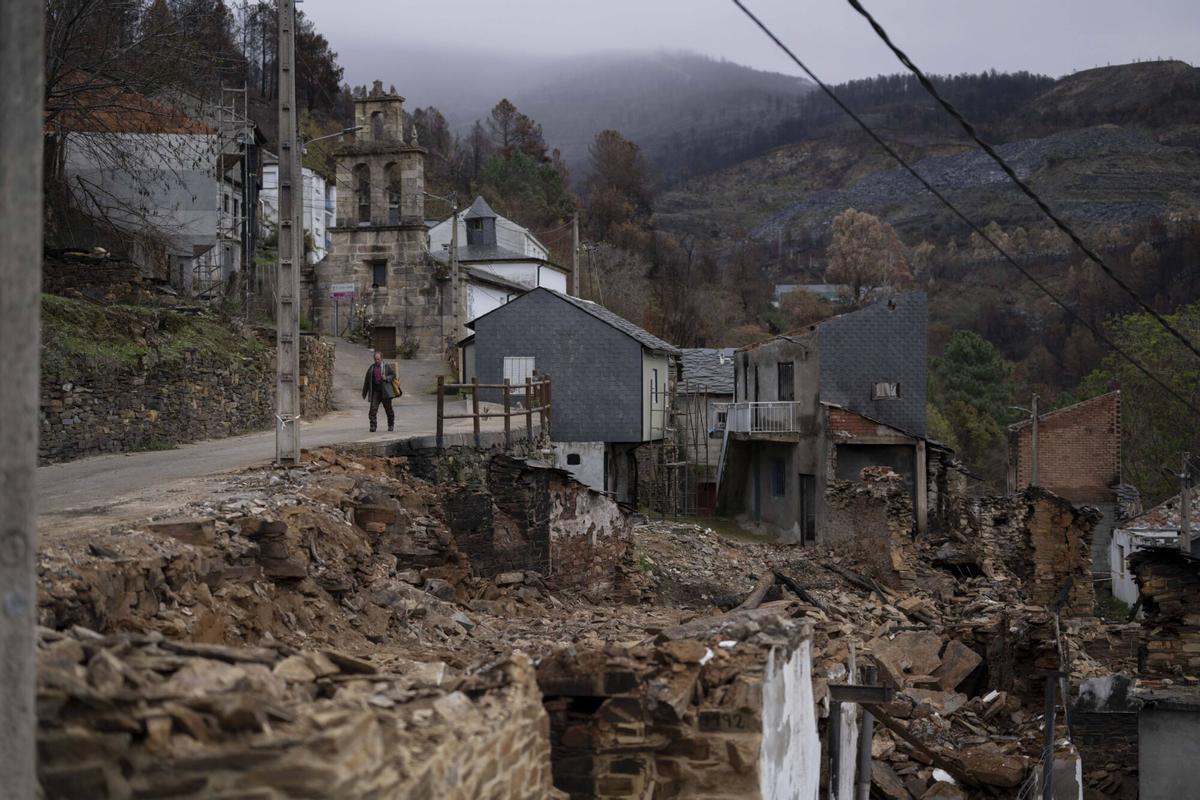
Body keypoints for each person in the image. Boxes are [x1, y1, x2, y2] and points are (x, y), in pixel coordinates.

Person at [361, 350, 397, 432]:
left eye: (378, 359)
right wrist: (365, 392)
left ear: (381, 359)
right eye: (375, 359)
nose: (376, 361)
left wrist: (387, 378)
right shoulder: (372, 368)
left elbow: (393, 375)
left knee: (389, 410)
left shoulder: (386, 366)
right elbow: (367, 380)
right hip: (376, 391)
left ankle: (391, 425)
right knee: (373, 410)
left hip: (385, 392)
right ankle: (373, 426)